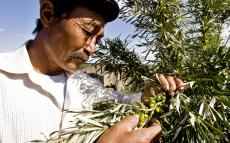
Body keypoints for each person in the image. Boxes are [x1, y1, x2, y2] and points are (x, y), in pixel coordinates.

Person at [0, 0, 185, 142]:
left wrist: (146, 96)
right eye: (88, 32)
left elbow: (120, 101)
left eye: (98, 40)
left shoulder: (84, 84)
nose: (92, 48)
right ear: (48, 15)